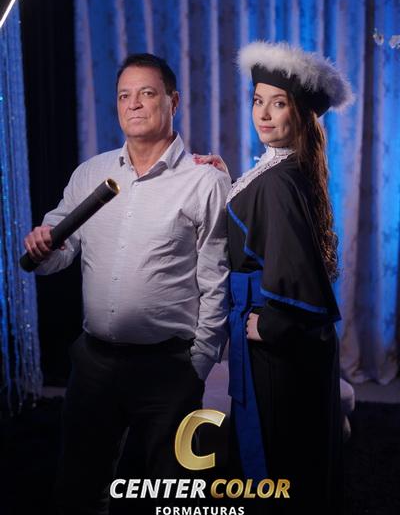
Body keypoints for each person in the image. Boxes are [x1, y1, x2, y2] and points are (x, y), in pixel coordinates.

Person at [24, 53, 230, 514]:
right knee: (78, 491)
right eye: (123, 95)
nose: (133, 104)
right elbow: (58, 253)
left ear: (173, 101)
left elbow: (216, 281)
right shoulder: (91, 174)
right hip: (93, 364)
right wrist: (42, 247)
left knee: (172, 496)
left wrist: (198, 365)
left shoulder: (203, 181)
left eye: (147, 93)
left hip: (169, 369)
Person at [194, 41, 354, 514]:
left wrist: (273, 323)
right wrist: (232, 182)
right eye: (257, 100)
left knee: (277, 456)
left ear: (300, 113)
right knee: (294, 453)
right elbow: (264, 228)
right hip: (285, 344)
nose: (263, 114)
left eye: (278, 103)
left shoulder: (278, 181)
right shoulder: (282, 168)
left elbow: (293, 267)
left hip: (276, 346)